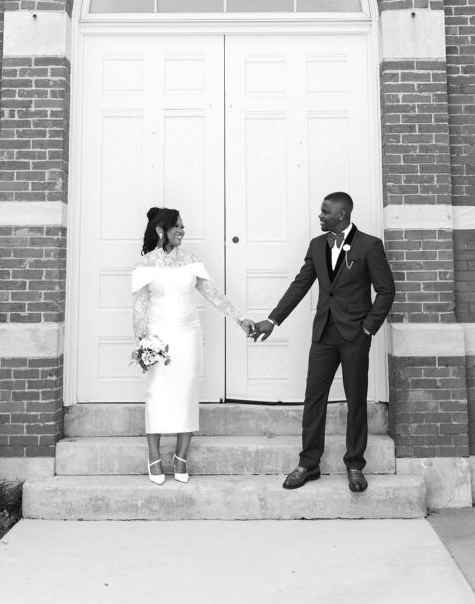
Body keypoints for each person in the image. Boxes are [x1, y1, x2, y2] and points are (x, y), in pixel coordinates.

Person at [252, 191, 395, 493]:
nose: (320, 215)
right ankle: (309, 463)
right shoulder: (317, 245)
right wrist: (273, 320)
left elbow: (386, 291)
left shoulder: (369, 246)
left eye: (325, 211)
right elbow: (300, 284)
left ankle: (355, 464)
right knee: (313, 398)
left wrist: (368, 328)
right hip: (323, 336)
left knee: (356, 399)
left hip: (355, 335)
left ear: (341, 214)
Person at [132, 207, 254, 485]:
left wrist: (240, 319)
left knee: (187, 392)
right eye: (178, 226)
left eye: (183, 227)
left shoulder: (190, 260)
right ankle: (153, 457)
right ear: (162, 230)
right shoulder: (145, 264)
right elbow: (139, 306)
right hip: (158, 337)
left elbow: (214, 294)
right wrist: (143, 343)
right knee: (157, 393)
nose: (183, 231)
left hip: (188, 334)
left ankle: (180, 457)